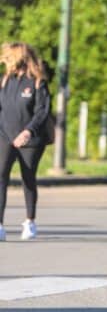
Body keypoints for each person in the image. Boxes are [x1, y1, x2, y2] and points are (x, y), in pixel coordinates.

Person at [0, 42, 51, 242]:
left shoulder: (37, 82)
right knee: (1, 176)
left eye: (8, 56)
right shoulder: (6, 81)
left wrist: (28, 131)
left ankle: (30, 221)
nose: (5, 60)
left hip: (30, 140)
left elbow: (42, 111)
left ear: (19, 58)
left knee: (28, 178)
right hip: (5, 135)